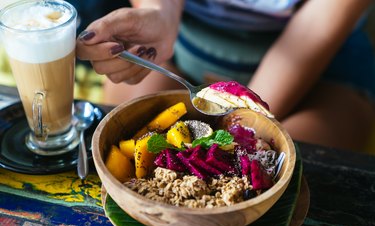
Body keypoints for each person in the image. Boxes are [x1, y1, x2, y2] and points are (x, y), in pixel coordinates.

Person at [76, 0, 375, 152]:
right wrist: (158, 14)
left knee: (295, 167)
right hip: (180, 43)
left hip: (320, 67)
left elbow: (314, 31)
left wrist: (243, 121)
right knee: (130, 140)